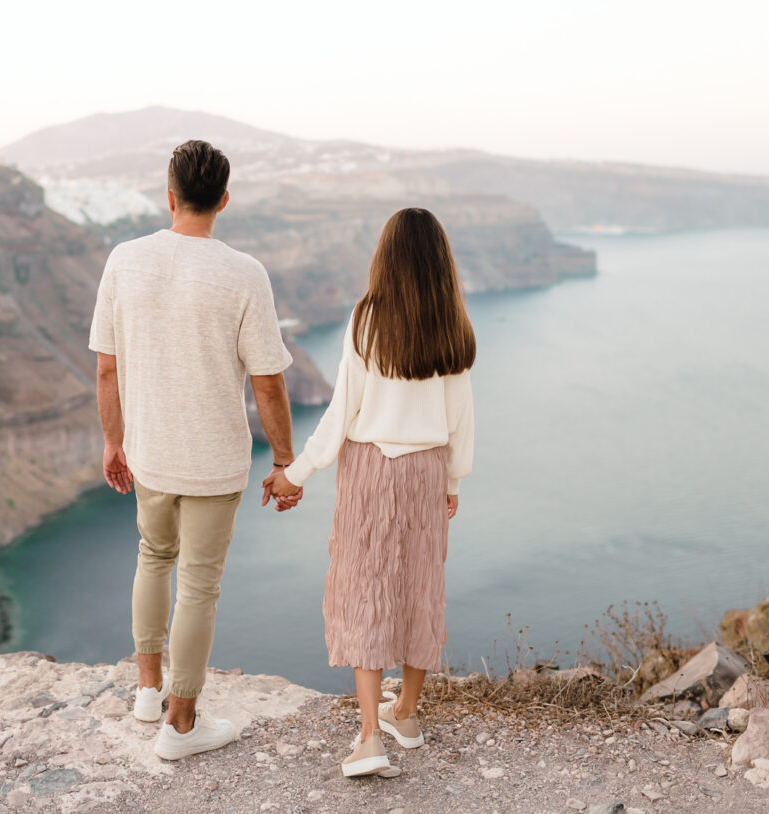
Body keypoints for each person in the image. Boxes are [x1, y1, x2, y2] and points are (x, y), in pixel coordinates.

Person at [91, 139, 300, 761]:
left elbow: (107, 368)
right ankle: (180, 726)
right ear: (224, 200)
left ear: (171, 194)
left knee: (153, 557)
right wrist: (284, 460)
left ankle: (148, 691)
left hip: (150, 449)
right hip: (213, 459)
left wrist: (113, 440)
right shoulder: (243, 273)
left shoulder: (125, 260)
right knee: (199, 587)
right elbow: (267, 380)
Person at [264, 207, 475, 777]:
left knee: (365, 591)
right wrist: (452, 481)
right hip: (428, 471)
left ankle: (368, 738)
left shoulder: (367, 319)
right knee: (419, 586)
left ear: (386, 256)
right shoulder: (452, 323)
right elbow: (461, 419)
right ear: (440, 261)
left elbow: (341, 412)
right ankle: (405, 713)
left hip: (371, 470)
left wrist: (295, 472)